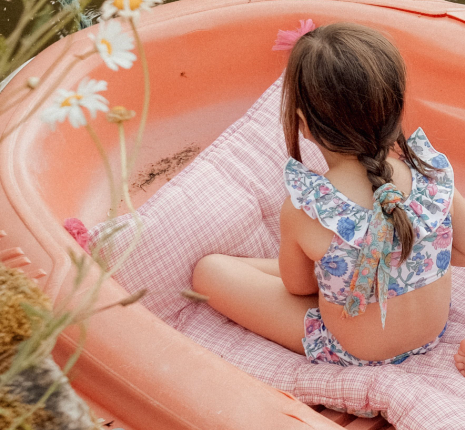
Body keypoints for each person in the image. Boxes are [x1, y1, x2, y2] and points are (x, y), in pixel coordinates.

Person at [192, 23, 465, 370]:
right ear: (394, 109)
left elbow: (299, 287)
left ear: (304, 123)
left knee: (209, 271)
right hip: (432, 334)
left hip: (353, 352)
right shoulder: (432, 176)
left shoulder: (309, 208)